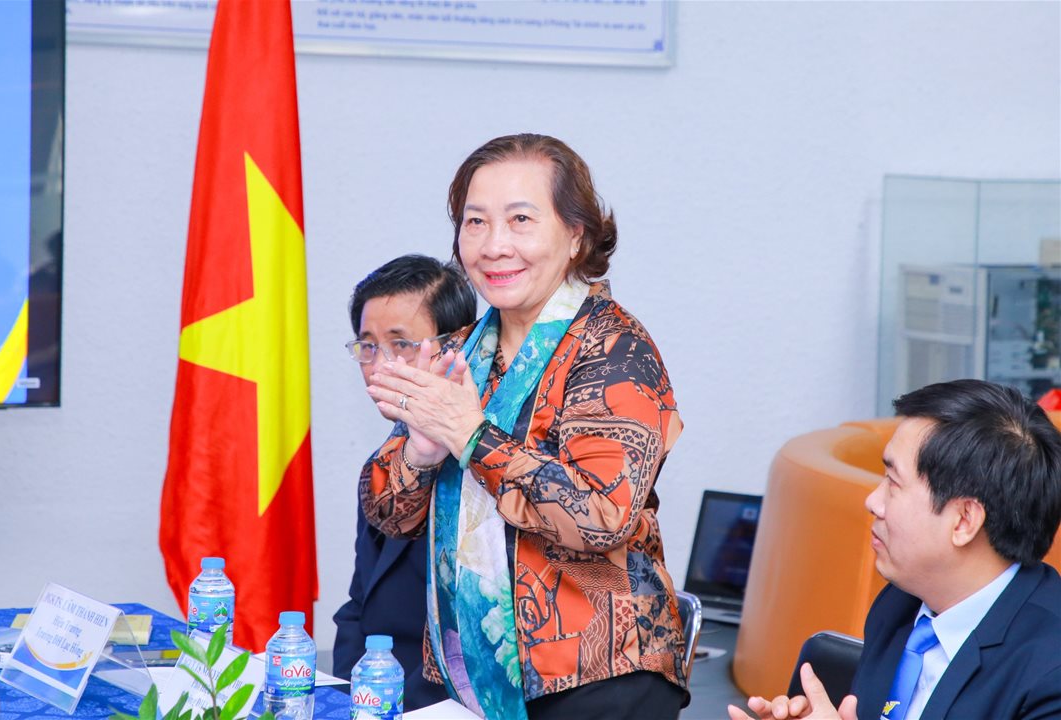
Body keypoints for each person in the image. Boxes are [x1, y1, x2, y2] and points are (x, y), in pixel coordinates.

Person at [359, 134, 690, 720]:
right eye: (476, 223)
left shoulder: (616, 351)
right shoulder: (462, 350)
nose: (494, 246)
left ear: (576, 235)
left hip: (598, 678)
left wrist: (471, 436)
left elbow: (600, 516)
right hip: (465, 672)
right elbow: (386, 515)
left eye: (521, 220)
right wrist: (422, 452)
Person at [729, 379, 1061, 720]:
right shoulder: (900, 604)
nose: (873, 502)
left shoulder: (1050, 674)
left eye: (893, 482)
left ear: (964, 520)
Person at [332, 254, 476, 710]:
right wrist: (346, 699)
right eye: (368, 346)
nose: (379, 367)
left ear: (456, 346)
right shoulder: (386, 462)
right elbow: (358, 607)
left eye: (401, 345)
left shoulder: (491, 463)